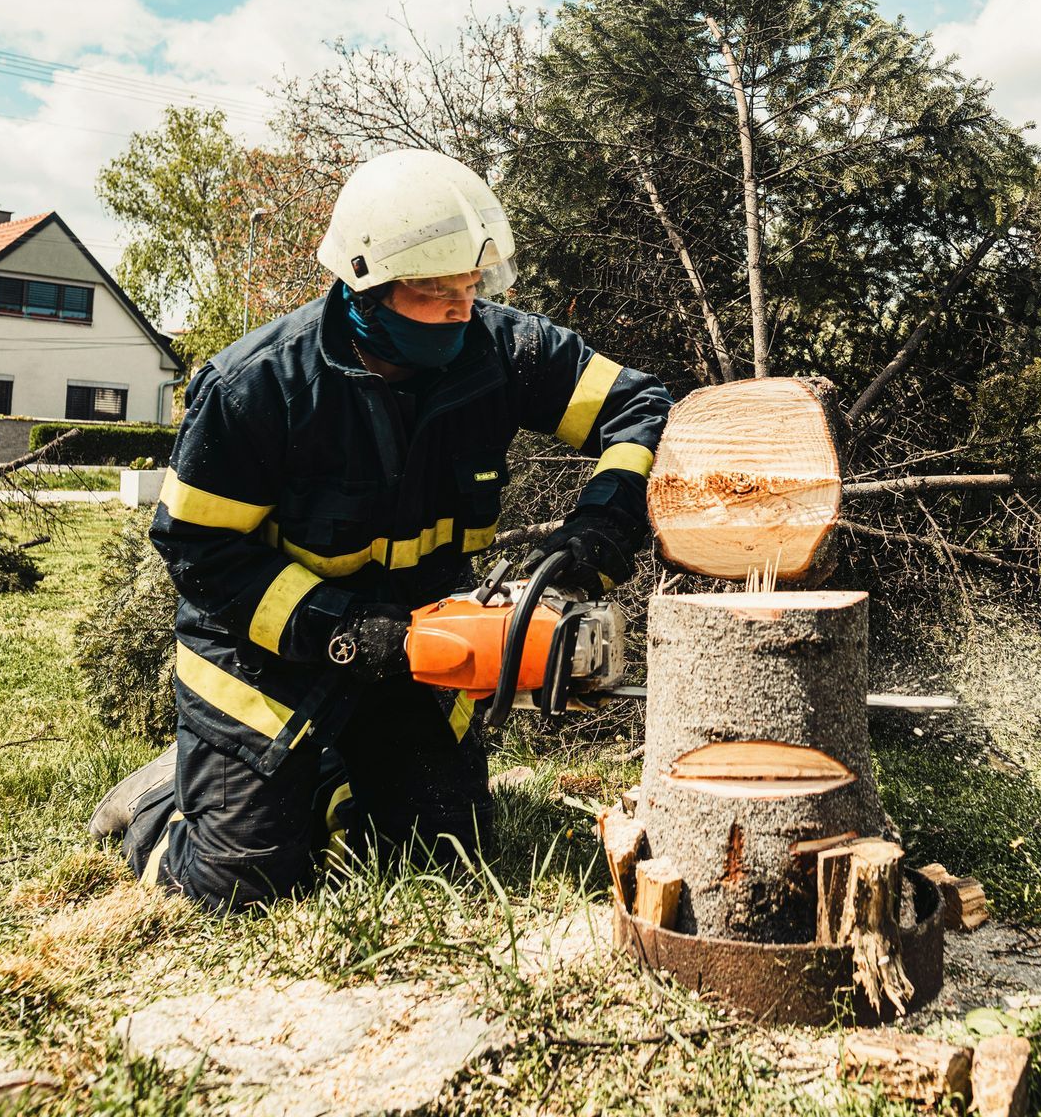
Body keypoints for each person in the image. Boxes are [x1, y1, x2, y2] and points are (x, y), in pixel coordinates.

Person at [89, 149, 672, 908]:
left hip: (417, 638)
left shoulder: (502, 352)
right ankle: (161, 802)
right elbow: (200, 551)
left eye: (473, 287)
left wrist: (600, 529)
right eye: (436, 296)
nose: (464, 311)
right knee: (238, 886)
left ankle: (325, 779)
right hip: (261, 653)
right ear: (366, 288)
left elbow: (640, 407)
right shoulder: (257, 387)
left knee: (446, 856)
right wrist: (344, 632)